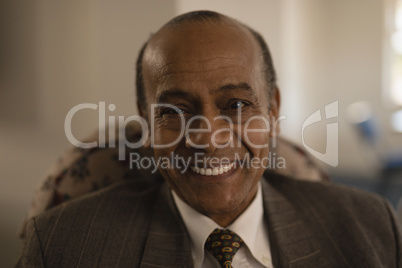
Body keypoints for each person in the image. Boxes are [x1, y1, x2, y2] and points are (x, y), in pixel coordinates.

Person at [16, 10, 401, 268]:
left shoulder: (373, 228)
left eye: (235, 104)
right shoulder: (61, 246)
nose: (208, 138)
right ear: (147, 123)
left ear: (271, 111)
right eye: (175, 111)